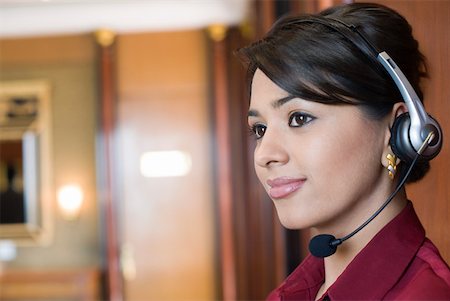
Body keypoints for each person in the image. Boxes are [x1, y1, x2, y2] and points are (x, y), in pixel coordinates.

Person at [238, 2, 450, 300]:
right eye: (260, 129)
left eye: (299, 118)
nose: (264, 155)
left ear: (399, 129)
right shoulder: (289, 294)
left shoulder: (429, 294)